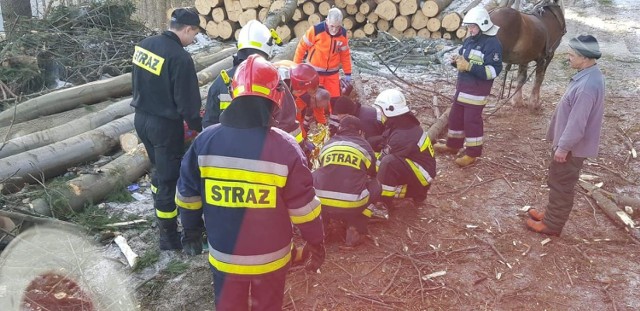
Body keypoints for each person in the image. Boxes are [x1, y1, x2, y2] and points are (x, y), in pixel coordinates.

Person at [175, 54, 325, 310]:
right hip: (272, 259)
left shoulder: (204, 142)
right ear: (276, 97)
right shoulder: (286, 147)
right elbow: (304, 207)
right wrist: (316, 242)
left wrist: (190, 231)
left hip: (224, 256)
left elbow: (187, 195)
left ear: (235, 93)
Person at [130, 8, 202, 250]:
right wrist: (197, 127)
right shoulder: (179, 58)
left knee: (158, 170)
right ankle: (169, 238)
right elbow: (189, 103)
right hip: (165, 126)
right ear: (188, 29)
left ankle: (159, 214)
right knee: (168, 180)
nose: (193, 41)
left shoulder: (144, 44)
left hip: (141, 119)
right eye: (194, 34)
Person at [526, 35, 605, 236]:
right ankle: (552, 214)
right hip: (571, 145)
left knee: (561, 183)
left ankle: (552, 225)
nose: (568, 57)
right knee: (557, 179)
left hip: (572, 148)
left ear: (585, 57)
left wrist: (563, 147)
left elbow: (578, 123)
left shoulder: (587, 86)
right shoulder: (589, 74)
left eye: (571, 54)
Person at [202, 20, 303, 144]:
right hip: (265, 153)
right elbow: (288, 127)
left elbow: (208, 125)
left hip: (226, 153)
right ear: (268, 48)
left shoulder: (220, 82)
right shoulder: (275, 82)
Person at [432, 6, 502, 167]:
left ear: (483, 25)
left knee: (471, 122)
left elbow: (493, 71)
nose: (470, 30)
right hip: (462, 88)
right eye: (469, 26)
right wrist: (455, 61)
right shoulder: (470, 39)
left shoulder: (492, 44)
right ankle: (453, 145)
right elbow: (463, 59)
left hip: (477, 92)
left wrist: (470, 67)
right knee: (455, 117)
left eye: (473, 27)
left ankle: (472, 153)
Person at [312, 115, 381, 247]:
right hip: (352, 205)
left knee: (317, 176)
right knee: (376, 184)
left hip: (321, 202)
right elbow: (373, 173)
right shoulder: (365, 146)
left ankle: (322, 225)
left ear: (339, 129)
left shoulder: (328, 144)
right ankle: (356, 226)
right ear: (360, 132)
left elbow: (322, 169)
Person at [372, 89, 436, 210]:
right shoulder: (403, 121)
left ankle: (383, 204)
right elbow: (384, 140)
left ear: (389, 110)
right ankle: (417, 193)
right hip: (419, 168)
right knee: (383, 159)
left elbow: (381, 163)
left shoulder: (402, 136)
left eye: (381, 110)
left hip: (421, 175)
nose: (379, 113)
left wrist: (363, 166)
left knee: (387, 163)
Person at [293, 8, 352, 105]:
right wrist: (296, 66)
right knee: (310, 98)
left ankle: (333, 118)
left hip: (332, 74)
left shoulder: (343, 34)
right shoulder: (316, 30)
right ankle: (307, 117)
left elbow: (345, 55)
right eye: (332, 26)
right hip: (314, 72)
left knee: (334, 99)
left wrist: (348, 73)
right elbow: (301, 48)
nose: (334, 29)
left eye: (337, 27)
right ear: (327, 20)